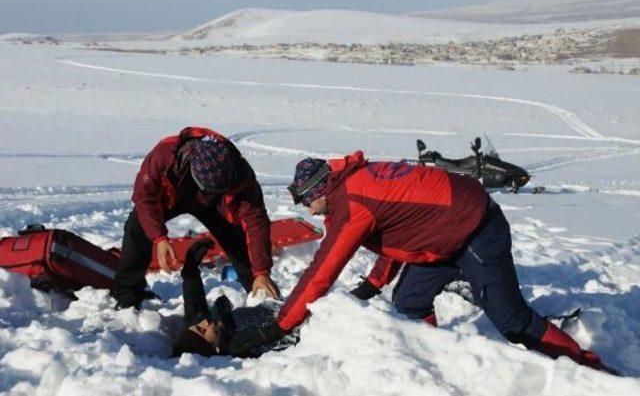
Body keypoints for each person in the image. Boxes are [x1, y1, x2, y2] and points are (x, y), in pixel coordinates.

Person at [229, 151, 610, 371]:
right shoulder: (351, 185)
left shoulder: (353, 203)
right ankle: (436, 363)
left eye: (304, 200)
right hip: (443, 233)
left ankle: (588, 368)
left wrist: (279, 326)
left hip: (476, 228)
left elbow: (321, 272)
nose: (304, 209)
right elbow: (404, 228)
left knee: (512, 321)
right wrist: (374, 282)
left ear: (318, 191)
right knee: (409, 302)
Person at [112, 127, 279, 310]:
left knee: (238, 243)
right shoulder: (164, 155)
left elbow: (257, 223)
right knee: (137, 226)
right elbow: (144, 198)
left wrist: (262, 271)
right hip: (175, 196)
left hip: (215, 205)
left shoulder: (241, 174)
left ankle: (261, 297)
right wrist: (159, 238)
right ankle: (128, 295)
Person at [172, 239, 296, 358]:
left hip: (274, 305)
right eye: (202, 330)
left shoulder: (208, 326)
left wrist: (190, 266)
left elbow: (193, 300)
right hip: (293, 317)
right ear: (215, 348)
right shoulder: (241, 345)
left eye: (198, 326)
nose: (205, 323)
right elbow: (284, 332)